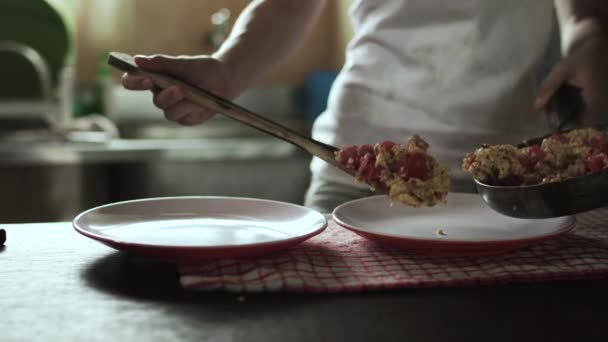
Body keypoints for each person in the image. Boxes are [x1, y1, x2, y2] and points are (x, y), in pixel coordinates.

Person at [122, 0, 608, 213]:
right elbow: (291, 5)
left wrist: (588, 39)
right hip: (355, 176)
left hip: (508, 187)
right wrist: (227, 70)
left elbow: (583, 11)